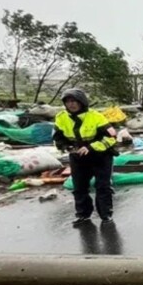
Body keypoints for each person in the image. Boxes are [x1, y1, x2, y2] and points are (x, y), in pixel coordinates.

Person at [53, 88, 118, 225]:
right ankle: (83, 215)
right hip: (78, 157)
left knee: (102, 187)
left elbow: (112, 137)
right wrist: (67, 147)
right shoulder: (61, 117)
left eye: (74, 101)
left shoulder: (96, 116)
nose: (71, 104)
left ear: (82, 102)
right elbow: (58, 137)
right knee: (79, 187)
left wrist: (90, 147)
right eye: (68, 101)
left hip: (100, 156)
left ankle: (106, 215)